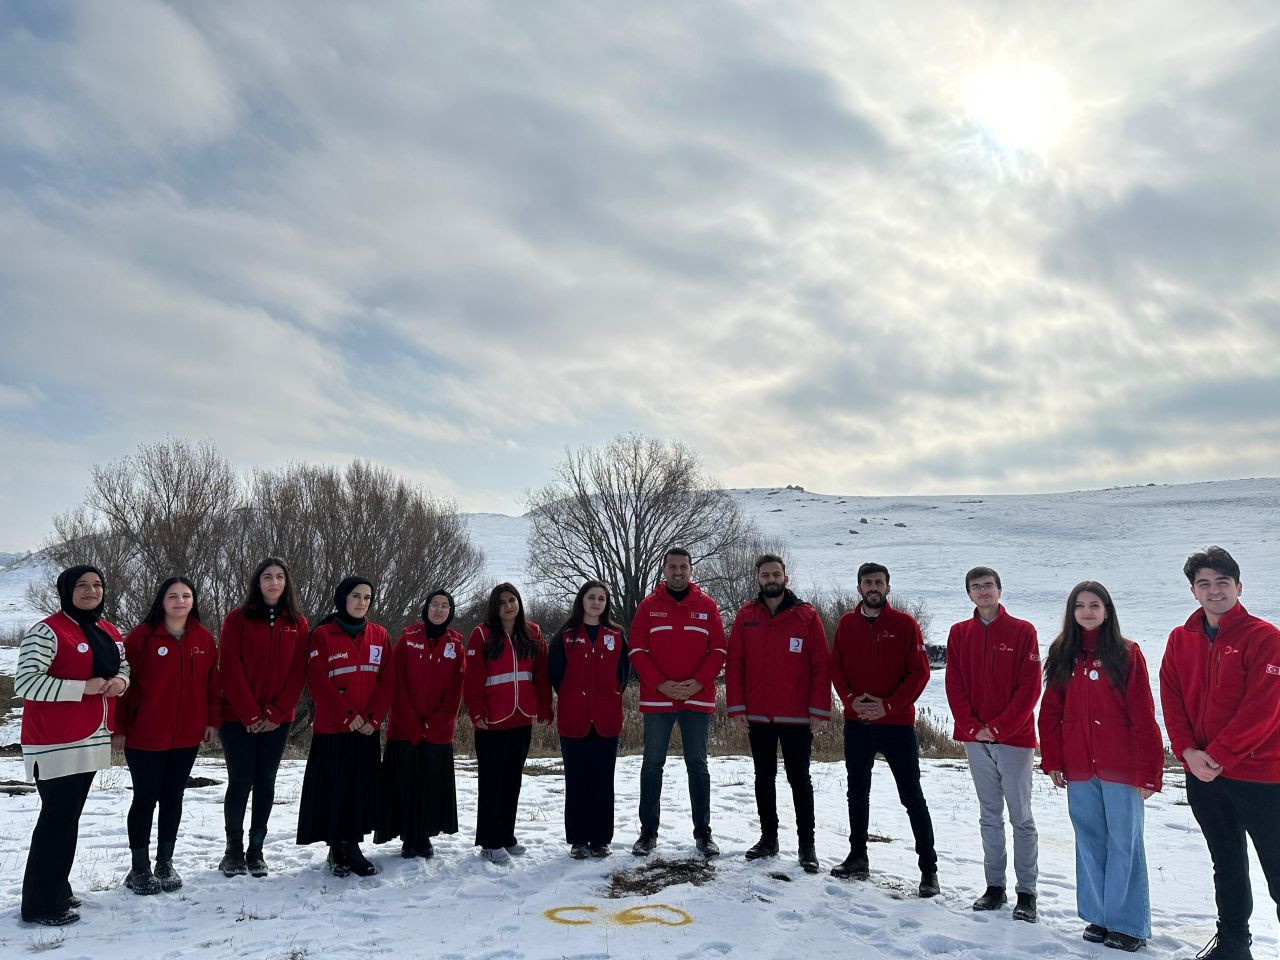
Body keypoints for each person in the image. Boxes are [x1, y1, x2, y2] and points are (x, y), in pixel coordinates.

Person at [1160, 547, 1280, 960]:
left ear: (1239, 586)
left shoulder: (1265, 638)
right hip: (1204, 776)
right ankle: (1232, 945)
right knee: (1226, 863)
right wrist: (1188, 752)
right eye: (1204, 583)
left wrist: (1220, 755)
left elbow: (1264, 708)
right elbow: (1172, 698)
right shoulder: (1181, 639)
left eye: (1222, 582)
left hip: (1262, 777)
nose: (1214, 591)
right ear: (1193, 591)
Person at [1039, 581, 1162, 953]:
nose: (1088, 611)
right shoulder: (1064, 652)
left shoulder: (1126, 653)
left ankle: (1127, 923)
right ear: (1071, 612)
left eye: (1095, 605)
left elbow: (1143, 713)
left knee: (1124, 842)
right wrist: (1054, 760)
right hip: (1079, 765)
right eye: (1080, 605)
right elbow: (1051, 711)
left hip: (1120, 766)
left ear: (1107, 610)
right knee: (1090, 840)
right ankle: (1099, 916)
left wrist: (1149, 771)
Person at [18, 565, 130, 926]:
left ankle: (57, 889)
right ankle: (39, 905)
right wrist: (83, 687)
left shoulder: (107, 629)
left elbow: (124, 666)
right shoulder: (48, 630)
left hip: (90, 737)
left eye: (97, 585)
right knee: (55, 821)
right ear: (67, 591)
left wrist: (119, 684)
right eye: (82, 586)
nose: (91, 591)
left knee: (68, 819)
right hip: (54, 741)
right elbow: (27, 683)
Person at [828, 561, 939, 897]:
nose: (873, 587)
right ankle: (857, 856)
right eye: (867, 582)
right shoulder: (847, 624)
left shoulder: (905, 624)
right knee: (857, 792)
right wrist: (850, 700)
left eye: (879, 582)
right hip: (857, 723)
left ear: (888, 588)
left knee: (912, 797)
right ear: (859, 587)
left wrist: (888, 705)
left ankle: (929, 871)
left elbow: (919, 673)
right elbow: (837, 667)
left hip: (897, 725)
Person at [945, 566, 1041, 921]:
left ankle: (1027, 893)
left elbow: (1030, 687)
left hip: (1014, 739)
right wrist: (973, 727)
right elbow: (954, 684)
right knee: (989, 816)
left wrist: (1000, 727)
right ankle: (995, 887)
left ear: (999, 590)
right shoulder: (959, 633)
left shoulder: (1022, 631)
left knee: (1021, 818)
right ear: (968, 594)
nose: (983, 591)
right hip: (975, 739)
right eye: (976, 587)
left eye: (989, 585)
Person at [113, 577, 220, 895]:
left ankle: (165, 862)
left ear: (193, 601)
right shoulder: (141, 637)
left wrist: (211, 720)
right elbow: (123, 687)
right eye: (173, 596)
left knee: (174, 797)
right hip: (145, 734)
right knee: (145, 798)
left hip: (187, 735)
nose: (180, 601)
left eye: (186, 596)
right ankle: (140, 867)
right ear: (161, 601)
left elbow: (213, 684)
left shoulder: (203, 638)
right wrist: (118, 728)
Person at [726, 554, 830, 873]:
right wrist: (737, 706)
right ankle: (768, 839)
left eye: (776, 574)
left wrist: (818, 709)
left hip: (797, 714)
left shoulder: (806, 615)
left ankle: (806, 845)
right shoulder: (747, 615)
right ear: (757, 579)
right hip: (758, 713)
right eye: (765, 575)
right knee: (764, 778)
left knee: (799, 779)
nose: (771, 580)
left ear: (785, 577)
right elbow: (736, 664)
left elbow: (820, 664)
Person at [629, 547, 727, 858]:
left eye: (683, 567)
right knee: (652, 765)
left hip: (696, 700)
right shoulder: (649, 606)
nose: (678, 572)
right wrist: (662, 684)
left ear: (691, 570)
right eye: (672, 567)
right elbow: (637, 650)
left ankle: (703, 834)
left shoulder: (707, 606)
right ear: (664, 569)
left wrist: (697, 683)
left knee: (698, 766)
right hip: (659, 700)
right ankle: (648, 833)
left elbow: (719, 651)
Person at [217, 557, 309, 878]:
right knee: (241, 780)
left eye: (279, 576)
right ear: (257, 582)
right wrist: (250, 713)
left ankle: (256, 849)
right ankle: (233, 850)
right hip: (237, 718)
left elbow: (299, 672)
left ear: (286, 583)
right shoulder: (238, 619)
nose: (273, 582)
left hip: (278, 719)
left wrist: (275, 712)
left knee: (265, 781)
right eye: (267, 576)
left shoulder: (298, 623)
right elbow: (230, 667)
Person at [297, 577, 394, 877]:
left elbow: (386, 680)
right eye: (356, 596)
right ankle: (339, 847)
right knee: (335, 789)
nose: (362, 602)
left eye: (367, 597)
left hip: (366, 729)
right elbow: (318, 681)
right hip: (334, 728)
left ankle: (349, 844)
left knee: (360, 790)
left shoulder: (379, 634)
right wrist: (347, 715)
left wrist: (373, 718)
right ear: (342, 598)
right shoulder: (323, 635)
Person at [463, 582, 552, 864]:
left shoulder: (533, 632)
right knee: (492, 782)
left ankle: (506, 835)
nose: (508, 606)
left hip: (521, 717)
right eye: (501, 602)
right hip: (492, 720)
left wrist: (545, 707)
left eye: (511, 600)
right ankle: (490, 840)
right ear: (494, 607)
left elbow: (541, 674)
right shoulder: (482, 634)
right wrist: (477, 713)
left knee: (512, 780)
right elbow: (472, 677)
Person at [376, 589, 466, 859]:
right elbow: (396, 684)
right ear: (425, 609)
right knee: (405, 784)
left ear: (450, 612)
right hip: (405, 729)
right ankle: (407, 837)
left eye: (445, 606)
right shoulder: (407, 640)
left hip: (437, 733)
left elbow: (455, 692)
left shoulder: (456, 646)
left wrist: (434, 725)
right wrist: (414, 725)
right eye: (434, 605)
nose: (439, 610)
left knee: (429, 785)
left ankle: (424, 836)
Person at [548, 580, 630, 859]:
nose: (596, 602)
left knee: (603, 780)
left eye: (601, 599)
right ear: (581, 600)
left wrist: (606, 695)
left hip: (606, 719)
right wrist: (575, 697)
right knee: (577, 780)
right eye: (591, 597)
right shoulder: (566, 635)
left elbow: (624, 674)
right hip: (575, 719)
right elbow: (556, 674)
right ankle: (578, 840)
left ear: (606, 604)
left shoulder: (616, 634)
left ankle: (600, 839)